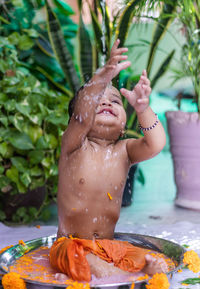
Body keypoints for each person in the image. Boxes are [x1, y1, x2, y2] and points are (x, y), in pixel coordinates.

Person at [49, 39, 167, 282]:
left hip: (108, 245)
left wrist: (143, 108)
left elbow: (155, 144)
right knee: (78, 257)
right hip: (70, 244)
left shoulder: (124, 151)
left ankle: (123, 271)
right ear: (77, 118)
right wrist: (102, 77)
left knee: (149, 256)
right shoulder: (74, 146)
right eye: (97, 101)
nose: (106, 102)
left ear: (124, 126)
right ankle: (122, 278)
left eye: (115, 101)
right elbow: (82, 116)